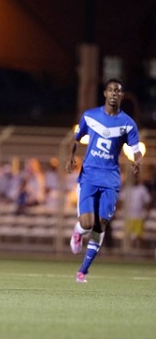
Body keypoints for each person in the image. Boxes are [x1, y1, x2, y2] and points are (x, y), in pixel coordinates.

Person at [66, 78, 142, 283]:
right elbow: (76, 138)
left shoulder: (127, 123)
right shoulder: (90, 116)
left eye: (118, 90)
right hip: (89, 175)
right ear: (105, 94)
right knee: (87, 223)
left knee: (101, 224)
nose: (115, 93)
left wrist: (137, 162)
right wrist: (71, 157)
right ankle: (77, 232)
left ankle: (83, 271)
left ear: (122, 95)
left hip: (111, 179)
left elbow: (136, 149)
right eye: (111, 90)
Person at [120, 174, 151, 248]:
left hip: (138, 216)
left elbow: (147, 201)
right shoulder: (127, 189)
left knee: (138, 235)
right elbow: (121, 200)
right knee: (127, 235)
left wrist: (146, 211)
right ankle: (128, 249)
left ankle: (137, 249)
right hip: (128, 216)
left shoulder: (142, 189)